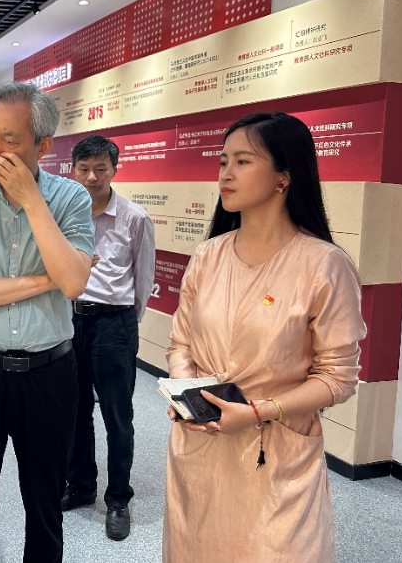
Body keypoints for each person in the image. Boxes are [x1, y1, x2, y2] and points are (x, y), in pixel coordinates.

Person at [163, 112, 365, 563]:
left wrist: (257, 411)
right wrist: (186, 394)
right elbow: (182, 345)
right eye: (222, 161)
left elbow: (338, 379)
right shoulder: (208, 255)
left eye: (242, 161)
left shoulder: (324, 265)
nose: (226, 173)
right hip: (201, 442)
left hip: (276, 454)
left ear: (283, 178)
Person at [0, 82, 94, 563]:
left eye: (10, 139)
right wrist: (45, 279)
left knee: (45, 506)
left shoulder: (70, 198)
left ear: (43, 146)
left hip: (50, 372)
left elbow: (74, 283)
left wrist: (32, 201)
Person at [63, 135, 155, 541]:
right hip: (70, 321)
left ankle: (118, 498)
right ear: (73, 170)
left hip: (113, 324)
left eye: (100, 168)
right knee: (75, 410)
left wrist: (126, 327)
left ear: (114, 170)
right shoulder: (64, 215)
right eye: (84, 168)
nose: (91, 177)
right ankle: (81, 485)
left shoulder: (134, 218)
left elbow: (143, 278)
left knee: (117, 416)